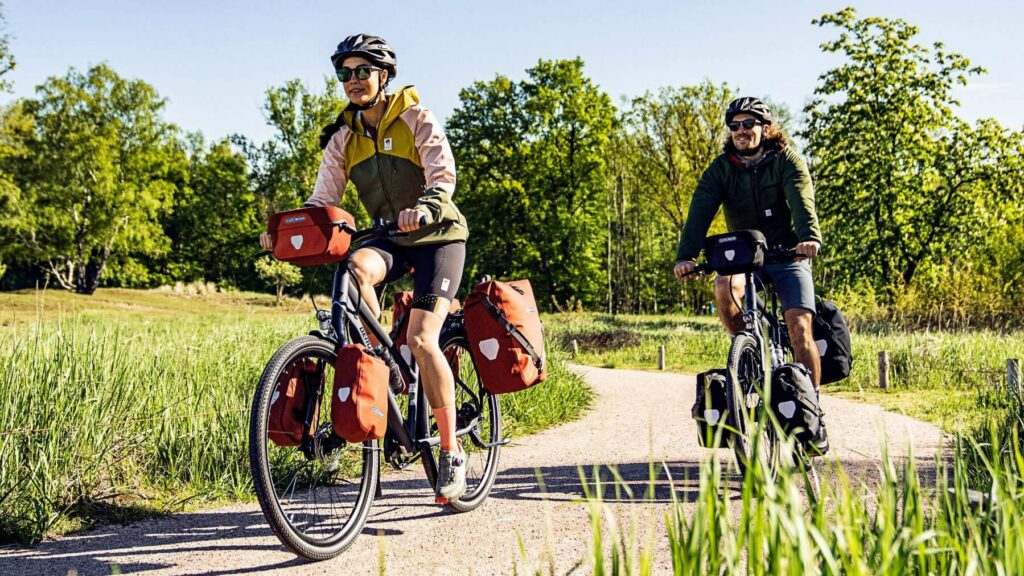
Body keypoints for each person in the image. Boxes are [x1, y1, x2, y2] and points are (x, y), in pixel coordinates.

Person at [260, 33, 471, 499]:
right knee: (353, 269)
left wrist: (429, 205)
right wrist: (285, 231)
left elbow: (442, 172)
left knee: (420, 338)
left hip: (438, 235)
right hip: (390, 237)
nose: (353, 81)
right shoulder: (343, 138)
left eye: (362, 71)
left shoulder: (415, 117)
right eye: (345, 73)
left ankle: (452, 452)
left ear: (383, 75)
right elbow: (323, 201)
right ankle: (381, 362)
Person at [673, 96, 829, 454]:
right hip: (742, 255)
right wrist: (686, 256)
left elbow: (801, 198)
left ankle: (813, 408)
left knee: (799, 326)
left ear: (764, 127)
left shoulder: (785, 159)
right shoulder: (721, 168)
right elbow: (699, 211)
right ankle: (748, 354)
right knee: (724, 289)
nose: (742, 131)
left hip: (787, 254)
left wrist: (809, 238)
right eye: (735, 125)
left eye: (749, 124)